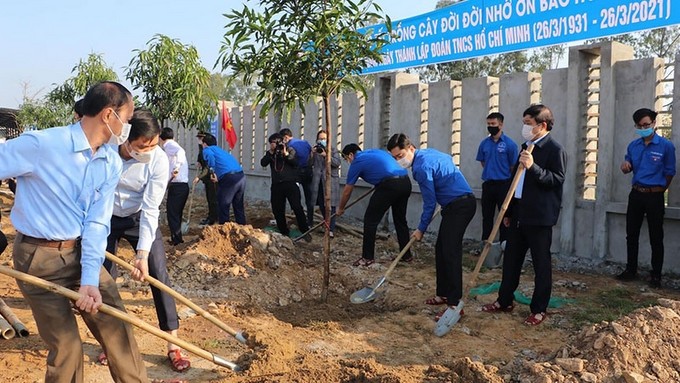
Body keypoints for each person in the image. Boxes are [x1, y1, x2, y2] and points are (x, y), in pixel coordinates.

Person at [0, 81, 149, 382]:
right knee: (67, 347)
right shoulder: (42, 145)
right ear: (109, 115)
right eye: (128, 118)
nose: (128, 127)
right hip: (37, 258)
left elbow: (97, 222)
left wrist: (91, 280)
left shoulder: (108, 162)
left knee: (117, 328)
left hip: (81, 252)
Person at [101, 109, 190, 372]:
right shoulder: (107, 148)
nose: (148, 150)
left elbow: (152, 208)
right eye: (143, 145)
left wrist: (141, 255)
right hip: (104, 218)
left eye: (153, 145)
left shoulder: (159, 161)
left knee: (159, 274)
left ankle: (172, 342)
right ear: (128, 137)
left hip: (138, 218)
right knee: (104, 280)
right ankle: (111, 344)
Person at [480, 104, 567, 326]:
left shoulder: (554, 150)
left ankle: (539, 309)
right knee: (511, 260)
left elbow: (556, 180)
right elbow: (515, 182)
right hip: (518, 214)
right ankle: (504, 300)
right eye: (524, 123)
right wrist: (507, 211)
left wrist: (533, 167)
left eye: (528, 124)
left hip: (539, 217)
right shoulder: (525, 146)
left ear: (543, 125)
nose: (524, 127)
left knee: (541, 264)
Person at [387, 134, 476, 321]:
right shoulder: (427, 153)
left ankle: (454, 304)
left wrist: (420, 229)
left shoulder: (421, 167)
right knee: (441, 249)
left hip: (460, 206)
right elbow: (448, 159)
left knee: (451, 253)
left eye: (400, 155)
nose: (399, 160)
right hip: (454, 205)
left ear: (411, 148)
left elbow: (429, 202)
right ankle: (442, 293)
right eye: (395, 157)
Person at [617, 108, 675, 288]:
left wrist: (660, 188)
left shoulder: (666, 146)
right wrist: (625, 166)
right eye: (640, 125)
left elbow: (670, 171)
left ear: (654, 124)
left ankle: (656, 275)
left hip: (654, 196)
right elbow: (628, 165)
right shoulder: (633, 146)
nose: (643, 128)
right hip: (636, 194)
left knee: (656, 236)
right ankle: (631, 269)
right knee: (631, 234)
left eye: (646, 125)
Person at [337, 144, 412, 267]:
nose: (348, 162)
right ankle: (406, 255)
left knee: (370, 220)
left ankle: (367, 258)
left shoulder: (357, 161)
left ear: (351, 155)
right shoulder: (373, 152)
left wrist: (340, 208)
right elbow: (383, 167)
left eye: (346, 159)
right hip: (405, 182)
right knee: (400, 220)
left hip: (389, 186)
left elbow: (347, 191)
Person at [476, 112, 518, 244]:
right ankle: (486, 243)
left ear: (501, 124)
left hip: (504, 185)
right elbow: (483, 162)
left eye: (493, 124)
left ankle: (504, 244)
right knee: (487, 216)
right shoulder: (484, 144)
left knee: (504, 216)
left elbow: (513, 166)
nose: (490, 126)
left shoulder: (510, 145)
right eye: (488, 124)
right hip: (488, 184)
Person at [261, 133, 311, 241]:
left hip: (290, 183)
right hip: (277, 185)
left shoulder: (290, 150)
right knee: (277, 209)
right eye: (271, 143)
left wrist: (286, 154)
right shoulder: (271, 154)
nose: (273, 145)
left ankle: (305, 231)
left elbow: (295, 162)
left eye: (275, 142)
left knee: (297, 207)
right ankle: (284, 231)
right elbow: (263, 163)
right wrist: (270, 152)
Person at [197, 133, 246, 225]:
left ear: (204, 144)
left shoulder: (207, 150)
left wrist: (212, 172)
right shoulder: (220, 150)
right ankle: (243, 228)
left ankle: (223, 230)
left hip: (229, 178)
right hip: (241, 176)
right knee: (238, 205)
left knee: (223, 204)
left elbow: (210, 158)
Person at [160, 127, 190, 245]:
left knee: (172, 214)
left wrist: (176, 167)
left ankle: (177, 240)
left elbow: (180, 151)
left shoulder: (169, 145)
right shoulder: (169, 146)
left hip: (178, 186)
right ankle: (177, 238)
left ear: (160, 138)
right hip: (180, 186)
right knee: (176, 213)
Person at [280, 128, 314, 227]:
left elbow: (290, 159)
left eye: (282, 139)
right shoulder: (305, 143)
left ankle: (300, 221)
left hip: (296, 173)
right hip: (308, 172)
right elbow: (311, 155)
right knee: (309, 198)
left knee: (295, 198)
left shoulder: (289, 146)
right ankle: (310, 222)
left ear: (286, 137)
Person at [309, 130, 341, 237]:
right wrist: (312, 154)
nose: (322, 141)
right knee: (322, 204)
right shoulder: (315, 150)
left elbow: (337, 163)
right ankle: (325, 224)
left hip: (330, 181)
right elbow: (308, 164)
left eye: (324, 139)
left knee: (331, 206)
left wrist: (326, 155)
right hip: (319, 181)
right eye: (320, 138)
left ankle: (330, 229)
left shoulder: (333, 149)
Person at [195, 132, 218, 225]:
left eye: (200, 138)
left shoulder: (209, 150)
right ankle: (212, 216)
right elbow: (201, 157)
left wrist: (199, 177)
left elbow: (208, 167)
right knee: (210, 198)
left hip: (212, 177)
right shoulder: (202, 148)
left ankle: (213, 218)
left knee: (213, 199)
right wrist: (199, 161)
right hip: (207, 177)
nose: (199, 140)